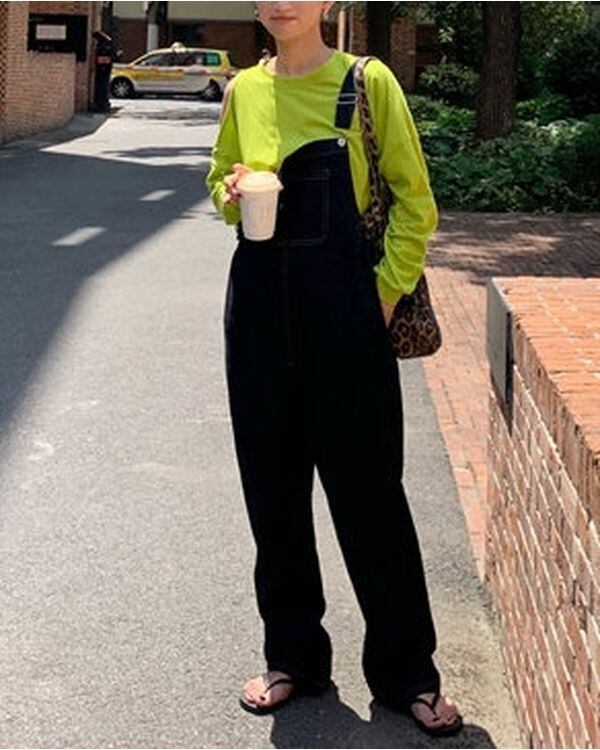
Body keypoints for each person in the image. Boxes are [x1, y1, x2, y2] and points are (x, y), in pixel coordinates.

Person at [205, 1, 463, 737]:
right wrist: (231, 194)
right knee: (273, 495)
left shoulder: (366, 81)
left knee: (371, 499)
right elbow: (219, 178)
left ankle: (408, 674)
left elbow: (416, 202)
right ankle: (293, 657)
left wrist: (381, 297)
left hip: (349, 318)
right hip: (258, 316)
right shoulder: (244, 90)